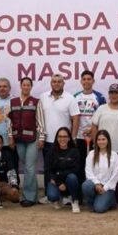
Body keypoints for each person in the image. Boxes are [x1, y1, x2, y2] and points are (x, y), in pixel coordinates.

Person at [39, 74, 80, 204]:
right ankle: (49, 194)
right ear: (51, 83)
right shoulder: (43, 97)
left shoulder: (70, 98)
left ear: (63, 83)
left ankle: (67, 195)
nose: (56, 84)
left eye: (59, 82)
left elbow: (76, 118)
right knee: (48, 168)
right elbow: (39, 118)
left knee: (66, 169)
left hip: (65, 141)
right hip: (48, 140)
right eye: (54, 81)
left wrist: (72, 137)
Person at [8, 76, 44, 208]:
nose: (26, 87)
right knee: (28, 167)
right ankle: (34, 196)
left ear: (31, 87)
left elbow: (40, 121)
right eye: (24, 85)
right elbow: (9, 121)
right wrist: (10, 136)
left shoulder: (36, 102)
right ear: (21, 86)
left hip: (33, 139)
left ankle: (27, 197)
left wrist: (41, 138)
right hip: (18, 139)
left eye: (29, 85)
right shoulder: (13, 102)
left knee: (29, 167)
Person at [73, 70, 106, 179]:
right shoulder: (75, 97)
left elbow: (103, 117)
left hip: (95, 137)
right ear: (81, 81)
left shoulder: (99, 97)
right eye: (84, 79)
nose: (86, 81)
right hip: (79, 136)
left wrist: (93, 130)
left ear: (93, 81)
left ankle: (94, 187)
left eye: (89, 79)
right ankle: (80, 192)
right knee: (80, 163)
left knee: (95, 163)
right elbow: (72, 117)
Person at [44, 127, 81, 212]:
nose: (62, 139)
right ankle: (59, 198)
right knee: (52, 196)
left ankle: (74, 200)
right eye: (60, 137)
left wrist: (57, 175)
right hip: (56, 181)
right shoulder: (51, 152)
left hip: (68, 181)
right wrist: (58, 182)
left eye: (65, 136)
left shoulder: (74, 151)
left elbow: (75, 170)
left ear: (69, 138)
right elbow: (47, 171)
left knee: (72, 177)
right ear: (57, 138)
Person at [82, 130, 118, 213]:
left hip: (107, 187)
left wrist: (105, 188)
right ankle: (93, 204)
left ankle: (110, 201)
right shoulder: (91, 154)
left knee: (99, 209)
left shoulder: (114, 155)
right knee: (86, 185)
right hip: (95, 185)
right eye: (99, 140)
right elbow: (88, 172)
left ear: (108, 141)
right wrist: (97, 183)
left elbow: (115, 175)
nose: (101, 142)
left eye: (103, 139)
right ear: (96, 141)